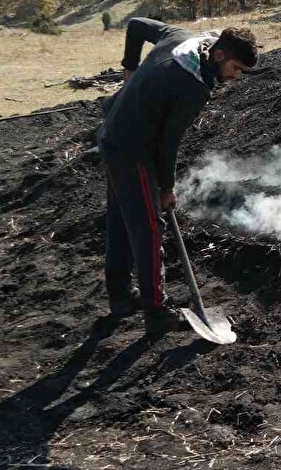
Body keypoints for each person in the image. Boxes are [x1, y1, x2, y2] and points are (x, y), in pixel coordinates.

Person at [97, 17, 258, 334]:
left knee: (121, 220)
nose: (236, 76)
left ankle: (121, 296)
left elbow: (136, 26)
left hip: (111, 135)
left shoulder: (179, 37)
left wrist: (129, 69)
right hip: (134, 151)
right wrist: (166, 188)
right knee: (149, 229)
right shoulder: (193, 87)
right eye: (236, 68)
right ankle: (157, 311)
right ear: (219, 55)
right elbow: (168, 144)